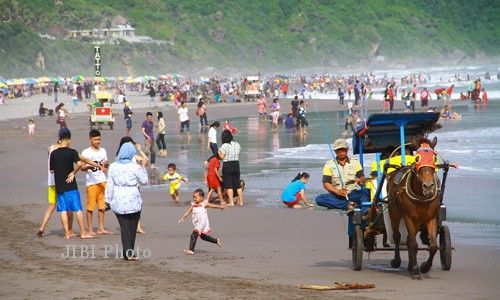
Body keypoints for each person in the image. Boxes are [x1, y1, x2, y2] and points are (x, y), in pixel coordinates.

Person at [49, 128, 103, 239]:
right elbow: (79, 163)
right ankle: (83, 233)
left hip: (59, 185)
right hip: (71, 184)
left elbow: (51, 170)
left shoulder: (53, 153)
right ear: (69, 139)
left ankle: (67, 233)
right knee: (77, 208)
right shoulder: (72, 152)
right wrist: (73, 172)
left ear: (60, 139)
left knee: (63, 210)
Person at [105, 142, 148, 260]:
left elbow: (109, 184)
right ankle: (129, 253)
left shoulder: (113, 166)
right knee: (132, 228)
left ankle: (128, 253)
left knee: (124, 228)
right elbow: (144, 181)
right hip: (133, 198)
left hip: (118, 199)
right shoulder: (135, 166)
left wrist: (107, 200)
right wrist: (144, 167)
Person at [315, 138, 369, 213]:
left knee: (367, 192)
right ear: (335, 151)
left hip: (352, 194)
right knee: (319, 199)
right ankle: (348, 205)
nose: (341, 152)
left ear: (347, 149)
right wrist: (337, 192)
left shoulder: (355, 162)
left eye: (343, 149)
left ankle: (365, 211)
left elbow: (362, 177)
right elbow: (326, 184)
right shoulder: (329, 165)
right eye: (338, 150)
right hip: (336, 196)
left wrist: (360, 180)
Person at [81, 130, 112, 236]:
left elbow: (105, 166)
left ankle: (101, 228)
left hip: (102, 180)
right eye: (95, 139)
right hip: (91, 182)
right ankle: (90, 229)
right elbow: (82, 168)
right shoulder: (86, 152)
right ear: (90, 139)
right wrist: (88, 166)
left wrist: (107, 164)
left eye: (99, 139)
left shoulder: (103, 150)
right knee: (90, 207)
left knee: (102, 206)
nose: (97, 141)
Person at [178, 189, 224, 255]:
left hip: (202, 222)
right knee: (203, 236)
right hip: (198, 222)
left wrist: (220, 207)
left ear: (201, 198)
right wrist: (183, 218)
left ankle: (191, 250)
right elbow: (188, 211)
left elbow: (213, 206)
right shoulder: (193, 204)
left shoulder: (204, 204)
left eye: (196, 197)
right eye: (193, 197)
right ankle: (216, 240)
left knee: (194, 234)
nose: (194, 198)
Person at [37, 140, 62, 237]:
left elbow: (50, 162)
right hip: (60, 182)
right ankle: (68, 230)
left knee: (51, 206)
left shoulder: (50, 148)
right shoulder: (64, 149)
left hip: (50, 182)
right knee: (65, 207)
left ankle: (42, 227)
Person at [218, 130, 243, 206]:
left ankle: (231, 202)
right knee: (237, 184)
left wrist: (219, 152)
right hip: (236, 164)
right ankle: (241, 202)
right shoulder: (237, 144)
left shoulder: (224, 146)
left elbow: (222, 157)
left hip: (227, 165)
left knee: (229, 185)